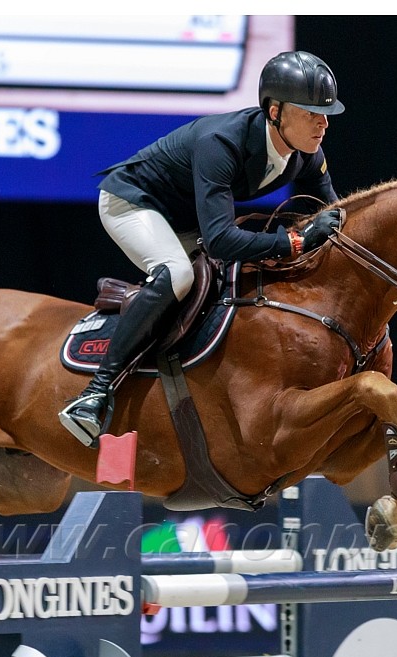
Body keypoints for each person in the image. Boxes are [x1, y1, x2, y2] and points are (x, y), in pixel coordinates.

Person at [59, 50, 346, 448]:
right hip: (133, 203)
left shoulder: (308, 156)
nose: (323, 122)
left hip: (185, 219)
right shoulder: (221, 142)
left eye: (326, 112)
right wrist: (293, 242)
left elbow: (334, 214)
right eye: (311, 111)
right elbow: (221, 240)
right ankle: (93, 394)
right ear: (276, 111)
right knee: (178, 274)